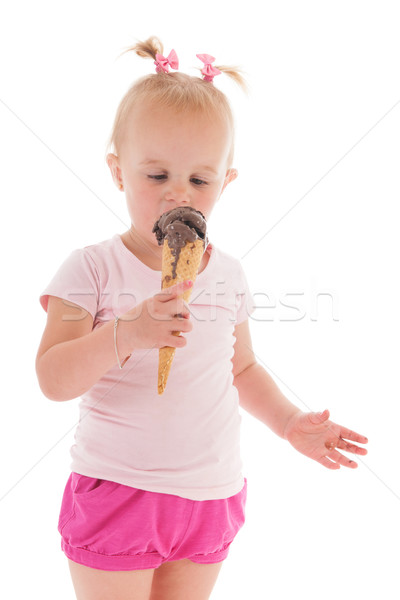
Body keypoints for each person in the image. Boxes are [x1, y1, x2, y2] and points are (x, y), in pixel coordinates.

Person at [35, 36, 368, 600]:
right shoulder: (91, 268)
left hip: (212, 495)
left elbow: (241, 370)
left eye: (198, 180)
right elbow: (52, 379)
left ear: (225, 182)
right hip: (121, 491)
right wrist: (128, 333)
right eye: (156, 176)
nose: (176, 195)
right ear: (118, 171)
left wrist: (289, 424)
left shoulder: (229, 273)